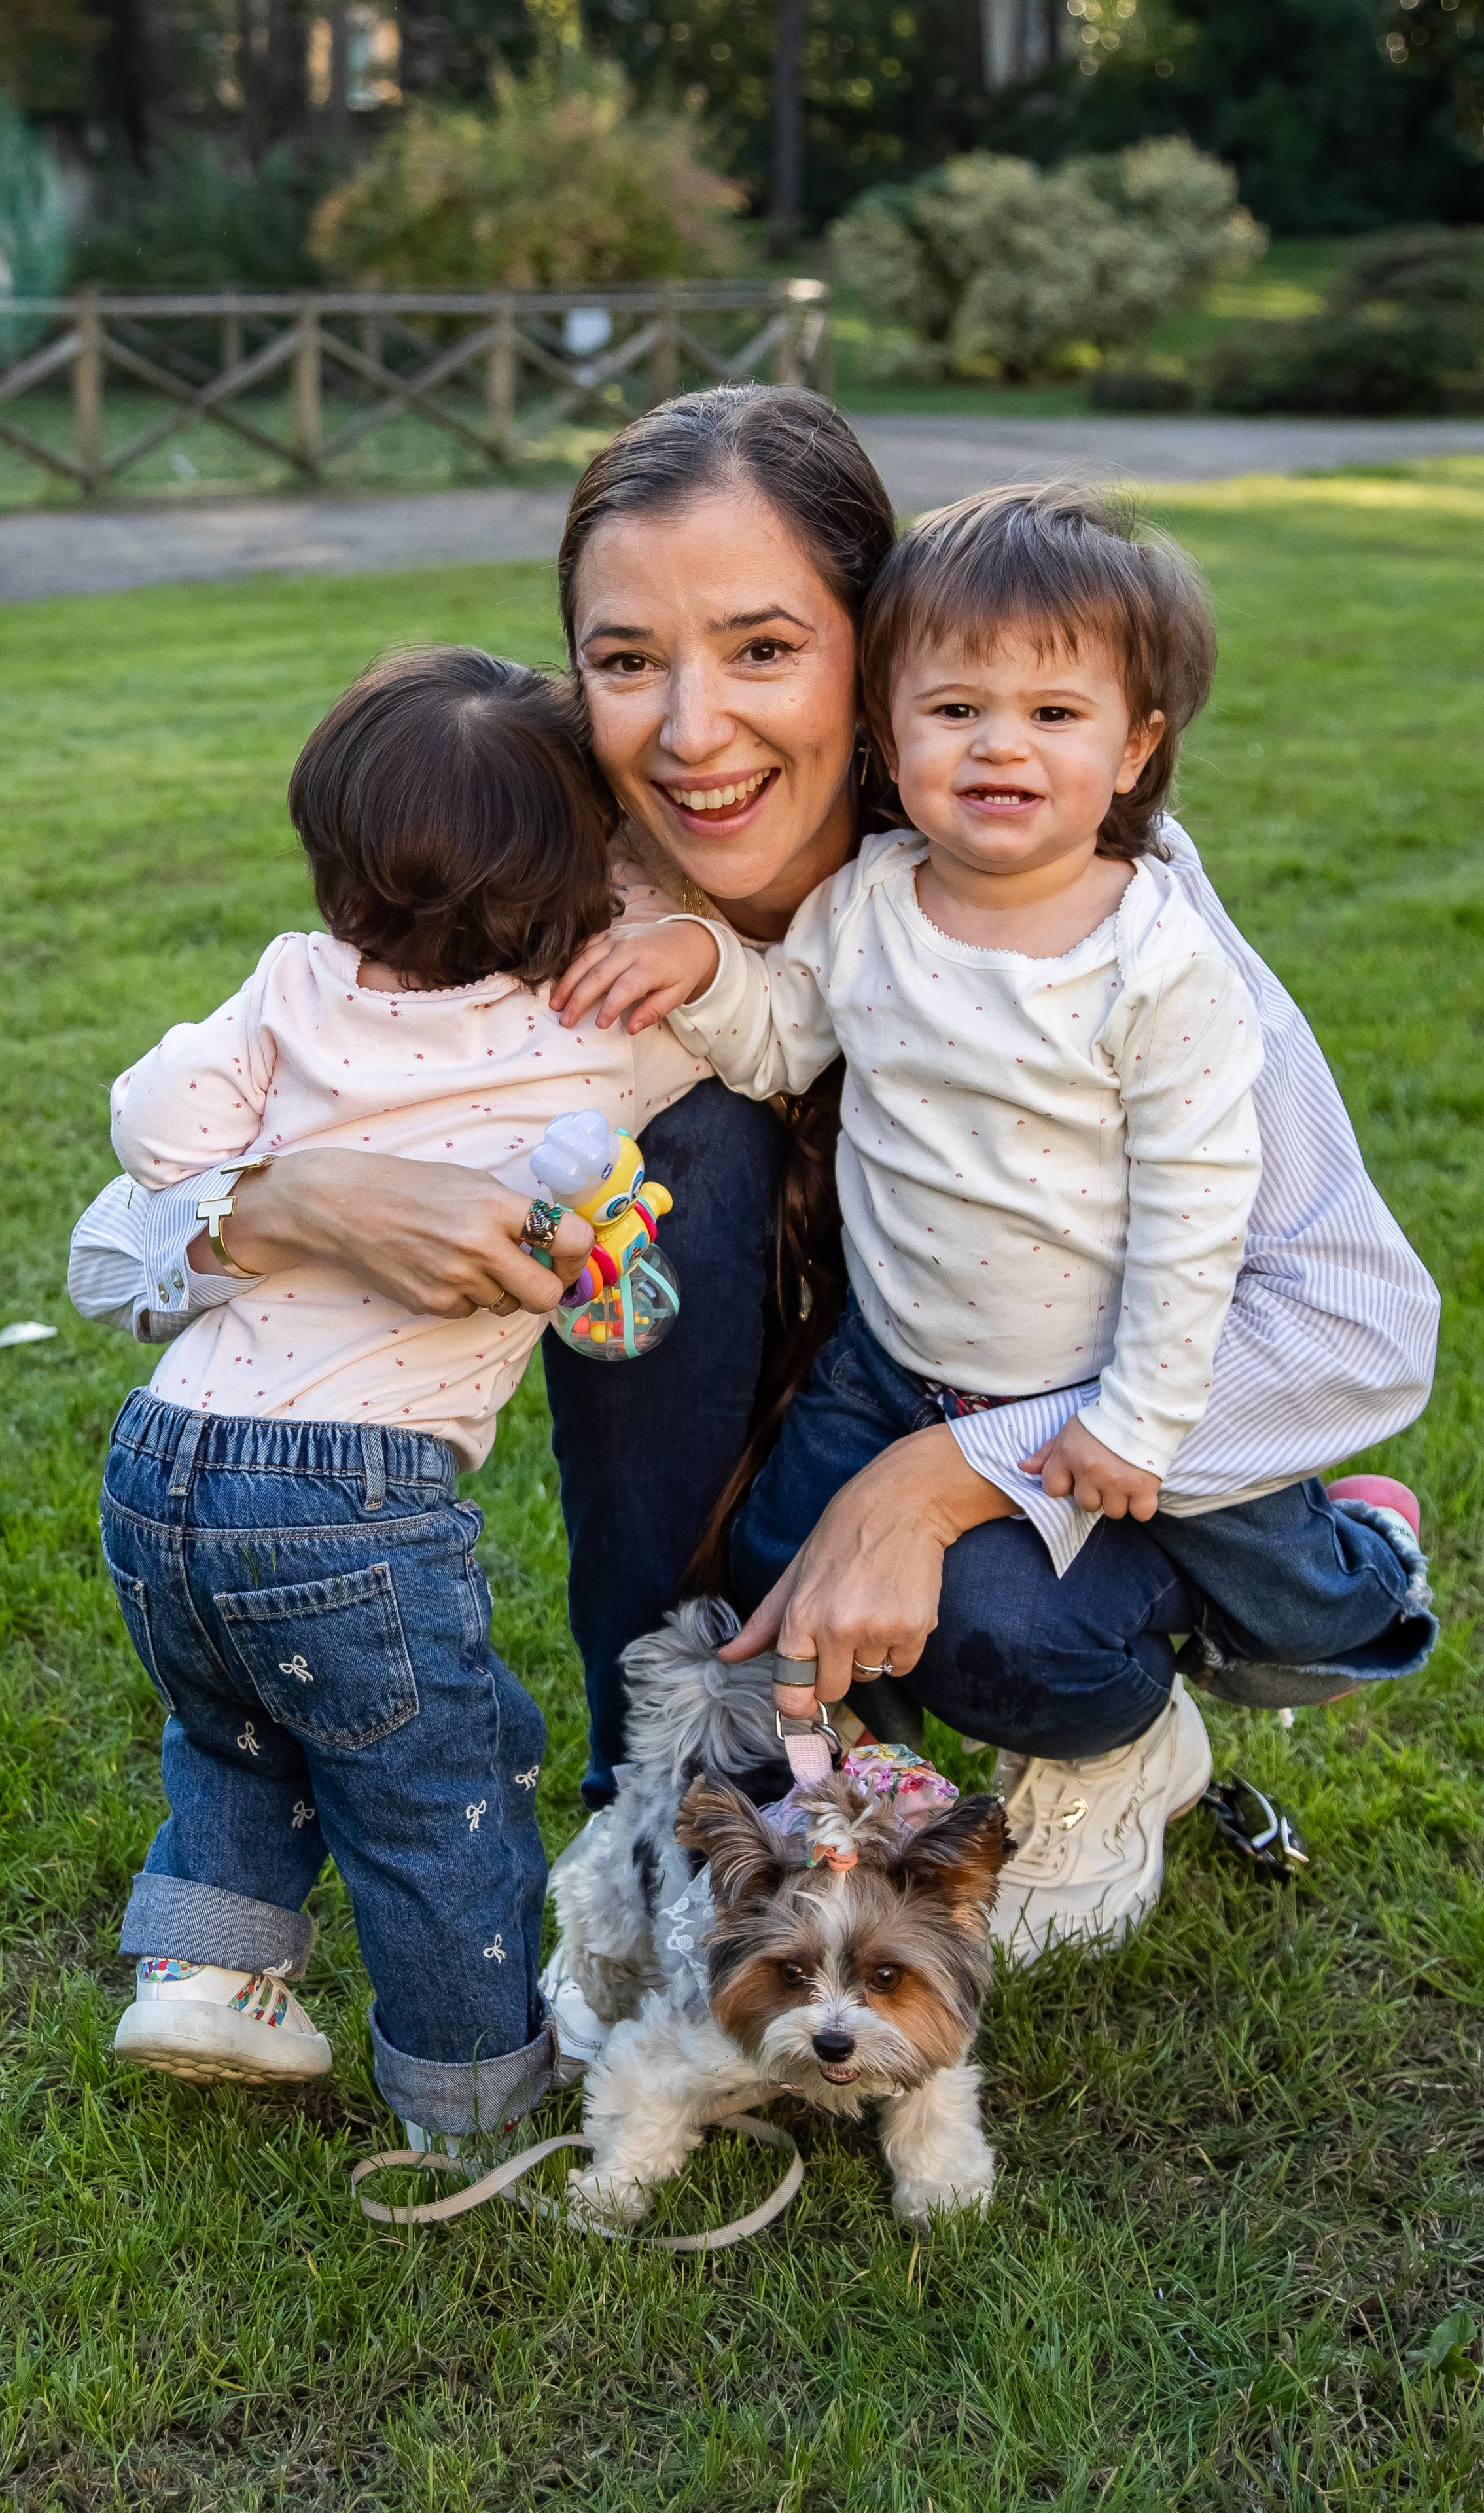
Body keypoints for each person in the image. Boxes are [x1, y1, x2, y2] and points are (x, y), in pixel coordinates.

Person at [71, 385, 1440, 1968]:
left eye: (763, 649)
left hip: (1044, 1427)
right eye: (627, 660)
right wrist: (279, 1204)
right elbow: (117, 1255)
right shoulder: (551, 896)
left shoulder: (1083, 912)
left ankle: (1116, 1743)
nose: (691, 731)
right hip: (820, 1427)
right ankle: (661, 1782)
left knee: (1022, 1632)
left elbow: (1354, 1330)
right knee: (671, 1154)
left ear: (880, 654)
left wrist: (942, 1482)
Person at [93, 648, 704, 2135]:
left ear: (337, 870)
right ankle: (473, 2087)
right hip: (348, 1499)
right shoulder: (596, 1039)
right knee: (441, 1789)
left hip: (162, 1460)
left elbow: (155, 1125)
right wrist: (677, 940)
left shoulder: (290, 984)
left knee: (237, 1726)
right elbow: (776, 1027)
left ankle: (205, 1975)